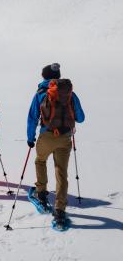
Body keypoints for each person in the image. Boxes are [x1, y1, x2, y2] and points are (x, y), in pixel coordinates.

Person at [27, 63, 85, 225]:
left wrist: (30, 138)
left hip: (46, 135)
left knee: (40, 160)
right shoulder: (70, 94)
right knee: (61, 172)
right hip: (65, 137)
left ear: (44, 77)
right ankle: (60, 210)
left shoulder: (40, 93)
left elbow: (32, 118)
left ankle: (41, 193)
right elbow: (81, 118)